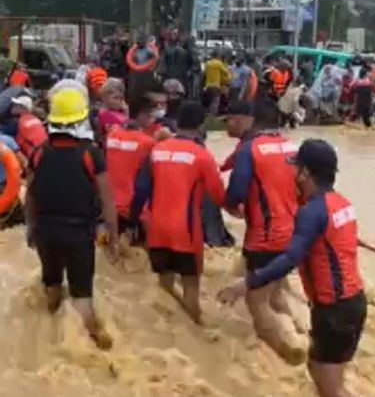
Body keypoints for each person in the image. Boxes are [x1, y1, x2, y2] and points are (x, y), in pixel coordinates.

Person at [218, 139, 366, 397]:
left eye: (296, 169)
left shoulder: (312, 212)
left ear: (306, 173)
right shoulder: (342, 203)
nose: (293, 174)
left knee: (328, 386)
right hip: (353, 302)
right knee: (326, 377)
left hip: (333, 310)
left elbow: (290, 259)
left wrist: (246, 283)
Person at [25, 87, 119, 350]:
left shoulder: (38, 152)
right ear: (81, 120)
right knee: (81, 294)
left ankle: (50, 334)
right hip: (78, 234)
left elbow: (30, 195)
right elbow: (107, 199)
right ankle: (97, 343)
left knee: (52, 284)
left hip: (45, 230)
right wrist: (112, 236)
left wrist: (31, 227)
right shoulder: (91, 154)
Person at [129, 101, 226, 324]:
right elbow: (219, 196)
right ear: (202, 126)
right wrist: (238, 209)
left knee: (164, 289)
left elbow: (141, 190)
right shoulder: (203, 156)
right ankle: (195, 336)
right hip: (187, 232)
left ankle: (168, 334)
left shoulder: (157, 150)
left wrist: (133, 221)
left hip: (157, 230)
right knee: (191, 287)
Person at [223, 97, 304, 363]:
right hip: (295, 234)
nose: (228, 125)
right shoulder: (290, 146)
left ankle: (285, 351)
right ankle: (300, 331)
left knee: (256, 301)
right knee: (276, 290)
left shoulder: (250, 150)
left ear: (251, 121)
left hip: (265, 236)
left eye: (231, 119)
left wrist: (230, 205)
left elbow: (235, 192)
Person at [105, 97, 157, 245]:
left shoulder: (112, 136)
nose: (152, 119)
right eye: (150, 114)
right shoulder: (148, 143)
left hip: (108, 206)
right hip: (135, 210)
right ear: (142, 115)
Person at [10, 94, 47, 159]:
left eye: (16, 104)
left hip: (33, 157)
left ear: (23, 108)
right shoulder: (35, 119)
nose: (13, 106)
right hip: (43, 154)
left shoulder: (19, 122)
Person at [350, 63, 375, 129]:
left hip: (359, 100)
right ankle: (368, 126)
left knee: (357, 113)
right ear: (365, 74)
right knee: (366, 114)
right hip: (367, 100)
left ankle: (352, 123)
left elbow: (351, 87)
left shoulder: (357, 81)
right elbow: (373, 89)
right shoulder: (369, 81)